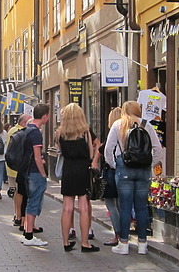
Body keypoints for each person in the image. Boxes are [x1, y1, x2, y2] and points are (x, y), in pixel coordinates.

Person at [104, 101, 162, 256]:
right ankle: (142, 244)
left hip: (125, 169)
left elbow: (108, 149)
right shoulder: (146, 125)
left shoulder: (118, 125)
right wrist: (150, 164)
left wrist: (115, 165)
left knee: (125, 207)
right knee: (141, 207)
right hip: (143, 170)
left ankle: (124, 243)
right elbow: (157, 148)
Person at [56, 103, 100, 253]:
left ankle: (66, 242)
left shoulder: (60, 132)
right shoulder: (86, 131)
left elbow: (60, 150)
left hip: (68, 168)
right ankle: (85, 243)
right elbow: (97, 144)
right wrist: (94, 160)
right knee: (83, 207)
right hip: (83, 169)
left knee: (67, 208)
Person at [22, 103, 50, 247]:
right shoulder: (36, 133)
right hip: (34, 172)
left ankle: (27, 230)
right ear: (44, 116)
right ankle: (29, 236)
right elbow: (37, 157)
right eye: (48, 115)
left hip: (27, 170)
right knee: (34, 202)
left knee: (29, 201)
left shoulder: (27, 128)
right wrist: (43, 173)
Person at [101, 107, 122, 246]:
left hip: (112, 171)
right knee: (121, 204)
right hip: (123, 171)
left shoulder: (113, 133)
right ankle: (123, 234)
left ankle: (117, 235)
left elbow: (108, 151)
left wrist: (113, 165)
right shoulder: (127, 133)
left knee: (111, 204)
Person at [6, 114, 30, 226]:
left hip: (11, 166)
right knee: (20, 191)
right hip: (20, 166)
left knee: (16, 191)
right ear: (24, 122)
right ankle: (19, 216)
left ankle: (16, 214)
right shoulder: (23, 132)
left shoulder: (11, 130)